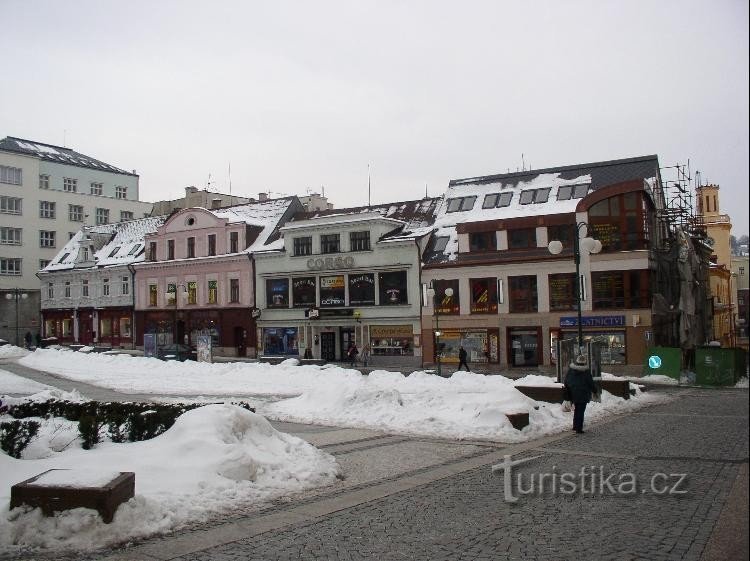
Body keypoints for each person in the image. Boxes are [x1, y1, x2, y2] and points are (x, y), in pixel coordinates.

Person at [564, 354, 597, 434]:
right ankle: (579, 428)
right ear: (584, 362)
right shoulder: (586, 372)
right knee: (581, 411)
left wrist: (570, 389)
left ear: (577, 361)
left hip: (573, 393)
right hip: (583, 394)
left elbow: (566, 381)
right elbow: (590, 383)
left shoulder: (571, 371)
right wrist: (595, 391)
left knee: (576, 410)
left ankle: (575, 426)